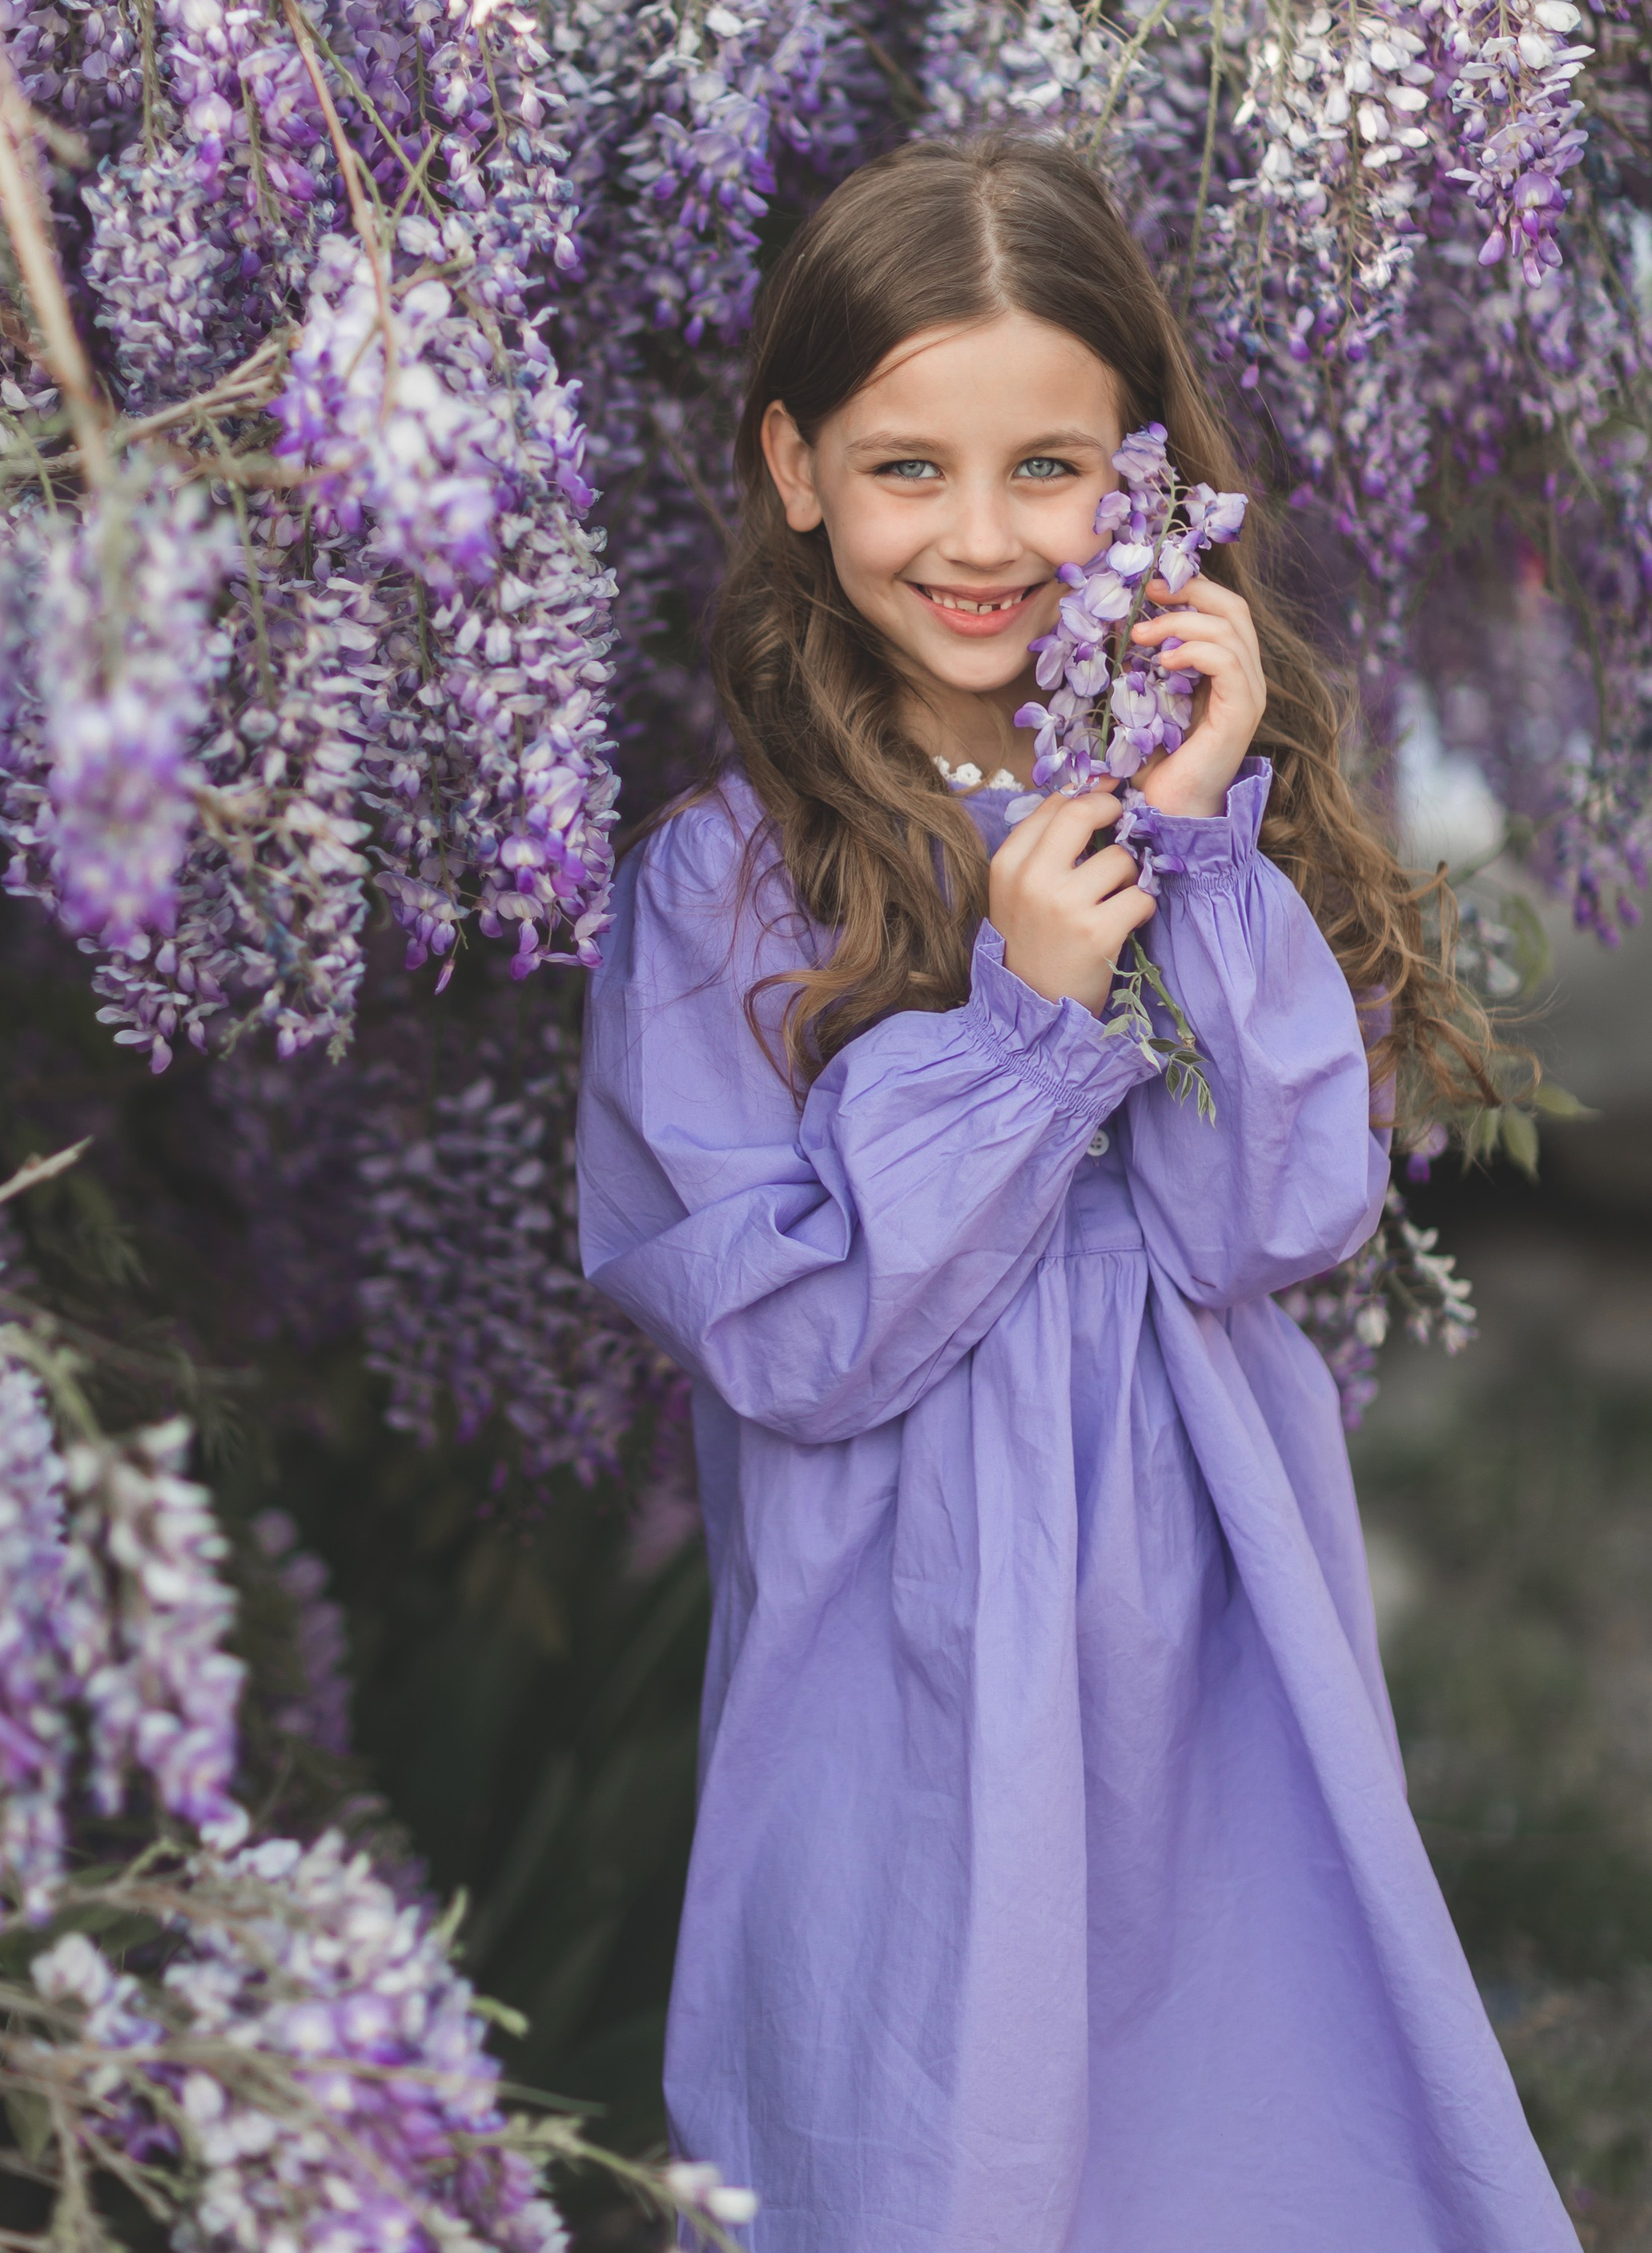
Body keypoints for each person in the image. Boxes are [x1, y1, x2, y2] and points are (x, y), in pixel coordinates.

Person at [574, 132, 1575, 2253]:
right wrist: (1028, 1024)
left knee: (1241, 2127)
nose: (981, 533)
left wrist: (1199, 847)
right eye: (906, 464)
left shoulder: (1207, 815)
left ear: (1140, 478)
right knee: (927, 2137)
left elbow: (1270, 1218)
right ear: (795, 468)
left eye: (1050, 467)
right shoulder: (720, 886)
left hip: (1206, 1631)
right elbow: (794, 1334)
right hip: (905, 1652)